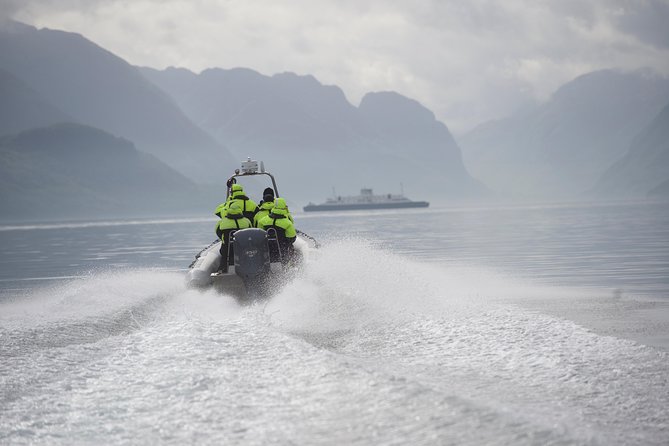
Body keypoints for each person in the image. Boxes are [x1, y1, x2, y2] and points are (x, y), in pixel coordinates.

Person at [215, 202, 252, 271]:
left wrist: (224, 240)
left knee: (224, 254)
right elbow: (250, 232)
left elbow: (218, 233)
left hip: (227, 248)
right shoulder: (247, 221)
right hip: (243, 248)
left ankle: (223, 269)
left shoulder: (222, 222)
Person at [257, 198, 297, 263]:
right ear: (284, 207)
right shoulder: (288, 223)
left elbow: (259, 236)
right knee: (291, 247)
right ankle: (290, 266)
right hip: (282, 253)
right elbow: (292, 238)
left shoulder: (262, 221)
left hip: (267, 253)